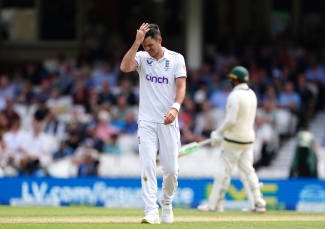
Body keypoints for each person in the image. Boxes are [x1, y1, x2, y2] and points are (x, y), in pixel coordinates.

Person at [120, 23, 186, 224]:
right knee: (147, 166)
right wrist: (137, 42)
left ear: (159, 40)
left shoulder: (176, 58)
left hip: (168, 122)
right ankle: (151, 211)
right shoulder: (141, 57)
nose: (147, 50)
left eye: (150, 45)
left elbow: (181, 87)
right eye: (144, 46)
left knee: (172, 170)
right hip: (146, 122)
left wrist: (175, 108)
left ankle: (166, 203)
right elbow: (124, 67)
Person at [197, 66, 266, 213]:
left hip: (233, 140)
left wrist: (218, 133)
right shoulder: (252, 94)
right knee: (248, 172)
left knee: (223, 172)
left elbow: (230, 120)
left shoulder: (235, 96)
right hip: (248, 140)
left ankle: (215, 205)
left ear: (235, 80)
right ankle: (258, 203)